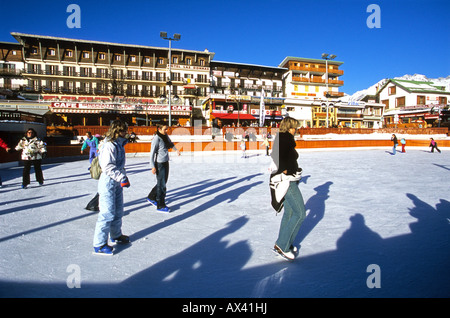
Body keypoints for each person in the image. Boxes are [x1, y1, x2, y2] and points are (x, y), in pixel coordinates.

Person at [269, 117, 306, 261]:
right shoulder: (284, 138)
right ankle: (283, 245)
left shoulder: (283, 138)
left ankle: (284, 243)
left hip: (289, 178)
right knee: (300, 213)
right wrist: (285, 170)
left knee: (290, 213)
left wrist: (293, 168)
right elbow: (276, 155)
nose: (296, 130)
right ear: (290, 127)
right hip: (286, 181)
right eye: (295, 127)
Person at [92, 120, 131, 255]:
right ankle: (99, 244)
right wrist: (122, 177)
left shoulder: (119, 145)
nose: (126, 132)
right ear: (117, 131)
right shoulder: (109, 145)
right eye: (124, 130)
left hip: (117, 182)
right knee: (107, 213)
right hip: (108, 182)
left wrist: (122, 176)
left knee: (118, 211)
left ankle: (116, 235)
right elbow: (107, 166)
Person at [147, 123, 180, 212]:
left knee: (163, 182)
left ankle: (151, 196)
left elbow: (170, 143)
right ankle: (160, 204)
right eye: (165, 129)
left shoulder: (165, 136)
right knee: (162, 185)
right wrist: (152, 166)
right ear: (159, 129)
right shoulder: (156, 139)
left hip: (165, 162)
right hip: (159, 163)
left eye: (167, 129)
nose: (166, 131)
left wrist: (176, 150)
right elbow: (152, 153)